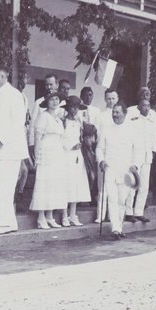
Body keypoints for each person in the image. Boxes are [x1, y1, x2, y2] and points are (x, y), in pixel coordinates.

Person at [0, 63, 29, 235]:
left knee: (4, 188)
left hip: (10, 151)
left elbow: (17, 123)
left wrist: (1, 140)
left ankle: (4, 224)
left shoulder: (14, 95)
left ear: (4, 76)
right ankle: (10, 222)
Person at [96, 104, 142, 240]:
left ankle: (119, 228)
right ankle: (115, 228)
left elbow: (138, 150)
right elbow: (99, 148)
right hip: (110, 169)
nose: (115, 115)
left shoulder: (132, 130)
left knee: (122, 200)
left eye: (117, 112)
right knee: (112, 199)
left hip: (126, 170)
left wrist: (135, 165)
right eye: (113, 112)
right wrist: (101, 160)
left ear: (125, 113)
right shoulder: (106, 129)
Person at [30, 92, 67, 229]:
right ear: (47, 102)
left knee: (53, 184)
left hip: (57, 154)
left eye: (57, 99)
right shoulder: (43, 116)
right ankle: (41, 217)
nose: (55, 102)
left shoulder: (58, 119)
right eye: (52, 99)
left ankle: (50, 216)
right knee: (44, 184)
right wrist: (37, 156)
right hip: (46, 152)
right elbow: (38, 137)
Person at [124, 98, 156, 223]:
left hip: (147, 156)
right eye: (144, 106)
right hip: (135, 156)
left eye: (148, 106)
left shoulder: (151, 120)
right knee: (133, 183)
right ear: (139, 107)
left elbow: (154, 136)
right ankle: (128, 212)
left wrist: (153, 150)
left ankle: (139, 212)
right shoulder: (133, 120)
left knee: (144, 185)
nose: (146, 108)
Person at [60, 95, 91, 226]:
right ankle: (64, 215)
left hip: (77, 157)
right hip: (66, 156)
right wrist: (69, 147)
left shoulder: (79, 122)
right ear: (67, 108)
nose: (74, 110)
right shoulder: (62, 122)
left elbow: (82, 137)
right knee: (66, 185)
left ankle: (73, 214)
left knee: (76, 185)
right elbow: (59, 140)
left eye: (77, 107)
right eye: (72, 107)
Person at [89, 88, 119, 223]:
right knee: (102, 187)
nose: (111, 101)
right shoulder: (100, 116)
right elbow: (95, 135)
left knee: (115, 187)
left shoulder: (121, 116)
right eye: (108, 98)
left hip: (116, 155)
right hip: (104, 154)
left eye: (113, 98)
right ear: (105, 99)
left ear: (117, 99)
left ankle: (112, 215)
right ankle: (100, 215)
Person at [27, 74, 59, 160]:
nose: (48, 87)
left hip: (58, 144)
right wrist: (31, 144)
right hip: (43, 143)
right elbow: (32, 125)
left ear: (57, 85)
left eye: (51, 84)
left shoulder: (62, 103)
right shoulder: (39, 102)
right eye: (46, 85)